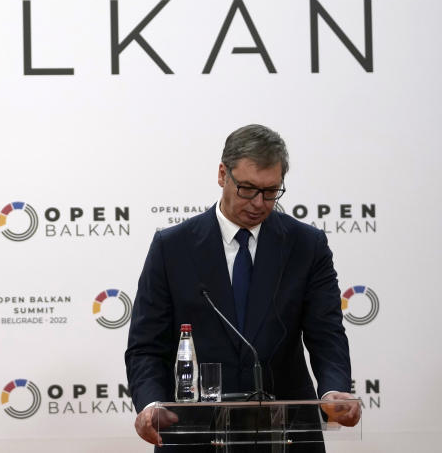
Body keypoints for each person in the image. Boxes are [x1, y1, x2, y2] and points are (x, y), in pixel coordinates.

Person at [125, 124, 360, 450]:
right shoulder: (172, 247)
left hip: (286, 433)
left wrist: (333, 390)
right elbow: (146, 346)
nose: (259, 203)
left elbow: (327, 333)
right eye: (247, 189)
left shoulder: (307, 245)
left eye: (271, 191)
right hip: (195, 433)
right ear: (223, 175)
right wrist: (151, 405)